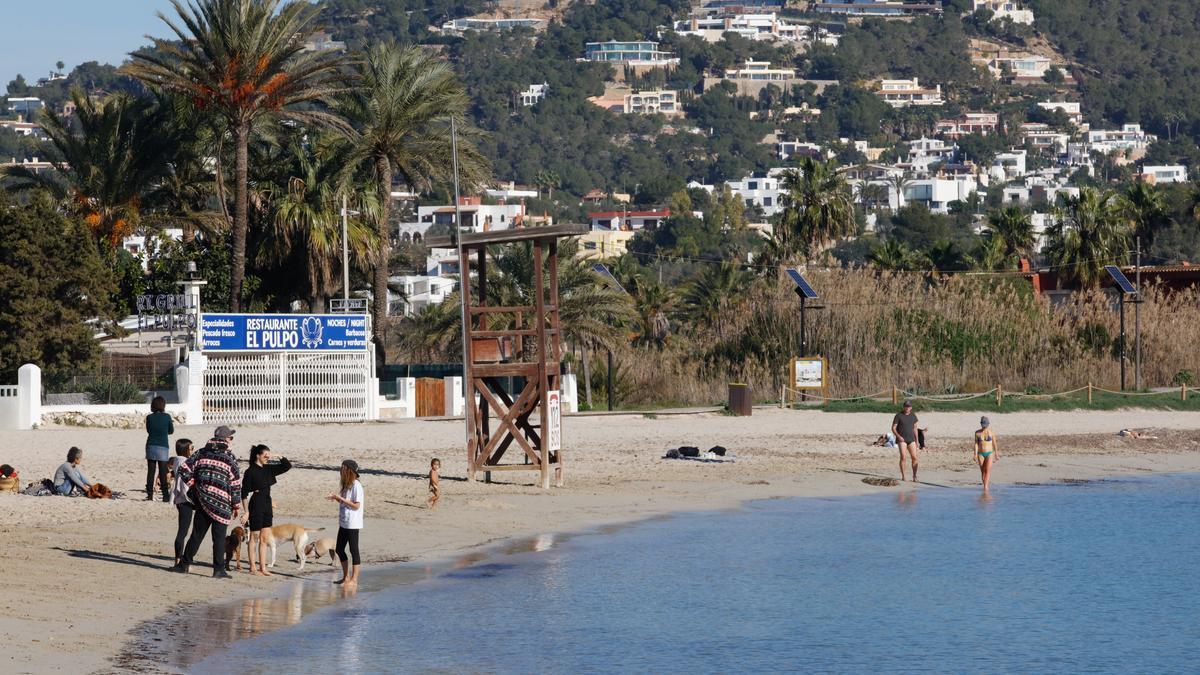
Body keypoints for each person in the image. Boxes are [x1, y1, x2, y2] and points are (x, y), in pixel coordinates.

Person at [174, 426, 242, 578]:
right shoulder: (229, 457)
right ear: (226, 439)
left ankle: (184, 564)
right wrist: (236, 505)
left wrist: (194, 486)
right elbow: (235, 484)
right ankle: (218, 570)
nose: (231, 441)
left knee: (196, 535)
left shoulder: (200, 452)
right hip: (222, 504)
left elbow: (184, 470)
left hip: (203, 501)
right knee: (218, 538)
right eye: (231, 438)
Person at [240, 444, 292, 576]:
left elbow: (287, 466)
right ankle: (252, 568)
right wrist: (246, 512)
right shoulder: (250, 471)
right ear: (258, 455)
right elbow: (244, 493)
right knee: (254, 537)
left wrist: (277, 455)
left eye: (269, 456)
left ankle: (263, 567)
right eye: (265, 455)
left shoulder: (268, 468)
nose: (267, 458)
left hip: (267, 504)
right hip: (256, 504)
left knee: (264, 539)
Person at [327, 459, 363, 586]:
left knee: (354, 550)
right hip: (344, 522)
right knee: (339, 549)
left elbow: (356, 505)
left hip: (353, 523)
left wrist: (340, 498)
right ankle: (346, 577)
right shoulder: (346, 485)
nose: (340, 470)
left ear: (348, 470)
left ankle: (354, 580)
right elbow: (344, 502)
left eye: (342, 468)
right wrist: (336, 498)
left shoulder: (356, 485)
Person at [168, 439, 194, 569]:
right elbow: (184, 485)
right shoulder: (184, 462)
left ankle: (179, 559)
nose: (193, 450)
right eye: (191, 448)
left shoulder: (177, 461)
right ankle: (179, 560)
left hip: (180, 499)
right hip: (184, 500)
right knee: (183, 532)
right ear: (186, 449)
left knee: (182, 531)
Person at [145, 396, 174, 501]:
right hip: (163, 446)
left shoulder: (149, 417)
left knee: (151, 472)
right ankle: (165, 496)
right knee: (163, 472)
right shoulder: (167, 417)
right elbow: (171, 431)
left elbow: (148, 430)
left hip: (151, 445)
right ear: (163, 405)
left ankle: (149, 495)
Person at [891, 401, 920, 482]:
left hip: (911, 439)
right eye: (906, 406)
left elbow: (915, 428)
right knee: (903, 457)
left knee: (914, 457)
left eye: (909, 406)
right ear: (903, 407)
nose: (907, 408)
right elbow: (893, 428)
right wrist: (899, 436)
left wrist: (917, 440)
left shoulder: (913, 415)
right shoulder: (898, 415)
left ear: (911, 407)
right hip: (902, 439)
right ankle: (904, 476)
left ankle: (914, 476)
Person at [974, 416, 999, 493]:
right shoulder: (977, 433)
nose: (984, 426)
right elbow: (976, 444)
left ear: (988, 424)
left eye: (985, 424)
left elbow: (994, 443)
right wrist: (975, 454)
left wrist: (996, 454)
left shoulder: (991, 432)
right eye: (983, 424)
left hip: (989, 453)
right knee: (983, 471)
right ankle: (985, 485)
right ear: (981, 424)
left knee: (987, 470)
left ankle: (985, 487)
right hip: (980, 453)